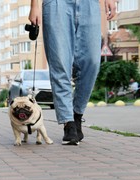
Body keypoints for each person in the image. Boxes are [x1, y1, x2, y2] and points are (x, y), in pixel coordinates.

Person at [29, 0, 117, 145]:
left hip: (89, 4)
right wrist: (34, 6)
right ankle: (68, 123)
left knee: (92, 62)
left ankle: (77, 114)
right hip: (57, 5)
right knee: (60, 64)